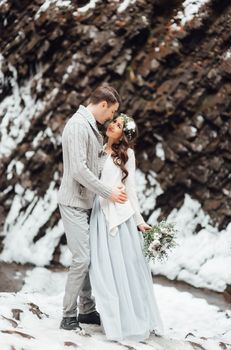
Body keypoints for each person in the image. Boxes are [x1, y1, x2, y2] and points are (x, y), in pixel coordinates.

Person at [57, 85, 128, 331]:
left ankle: (86, 310)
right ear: (103, 105)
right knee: (82, 259)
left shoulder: (89, 126)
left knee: (87, 257)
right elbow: (78, 169)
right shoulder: (78, 126)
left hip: (86, 202)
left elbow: (95, 163)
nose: (111, 118)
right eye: (112, 112)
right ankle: (68, 316)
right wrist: (108, 192)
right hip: (73, 202)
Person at [89, 113, 164, 341]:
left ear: (124, 134)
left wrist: (140, 220)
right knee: (102, 270)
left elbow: (130, 190)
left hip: (121, 219)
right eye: (114, 121)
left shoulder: (127, 155)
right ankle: (112, 320)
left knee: (125, 272)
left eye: (119, 125)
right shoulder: (96, 148)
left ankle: (129, 322)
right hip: (99, 215)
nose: (113, 125)